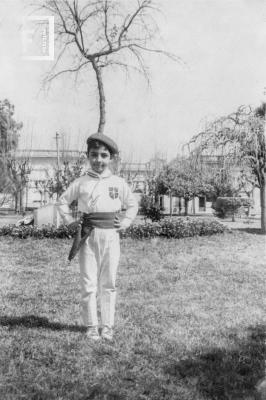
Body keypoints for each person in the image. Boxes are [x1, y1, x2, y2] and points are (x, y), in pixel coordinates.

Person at [57, 133, 138, 341]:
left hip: (111, 236)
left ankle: (107, 326)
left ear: (111, 158)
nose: (99, 160)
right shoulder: (81, 182)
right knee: (88, 282)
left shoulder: (118, 182)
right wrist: (69, 221)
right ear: (88, 156)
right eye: (94, 155)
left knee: (109, 282)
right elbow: (63, 201)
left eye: (104, 155)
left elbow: (132, 204)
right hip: (88, 236)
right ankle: (92, 326)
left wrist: (126, 222)